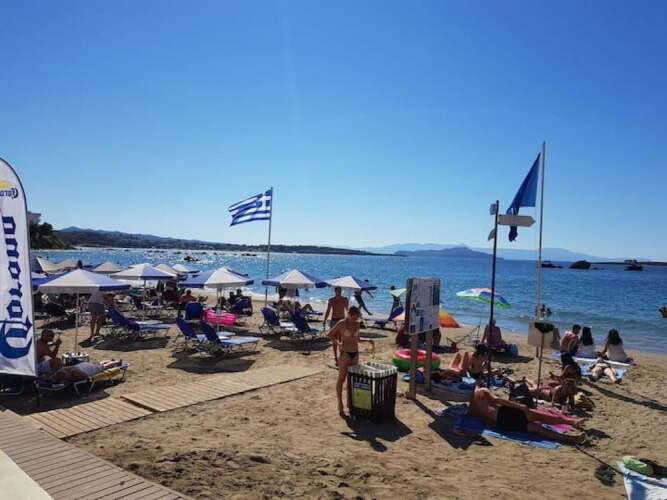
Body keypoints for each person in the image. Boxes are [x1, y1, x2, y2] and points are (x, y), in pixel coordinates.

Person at [467, 386, 586, 444]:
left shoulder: (471, 407)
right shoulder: (482, 391)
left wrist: (492, 423)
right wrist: (520, 406)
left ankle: (571, 438)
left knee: (536, 428)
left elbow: (482, 418)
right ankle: (571, 422)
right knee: (539, 416)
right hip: (504, 413)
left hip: (501, 423)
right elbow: (498, 400)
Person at [328, 306, 374, 417]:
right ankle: (340, 404)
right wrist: (338, 343)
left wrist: (368, 340)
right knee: (341, 378)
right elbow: (330, 334)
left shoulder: (357, 324)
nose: (355, 319)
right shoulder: (341, 323)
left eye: (356, 318)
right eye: (353, 317)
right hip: (345, 353)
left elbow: (358, 339)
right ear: (349, 314)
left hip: (355, 353)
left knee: (351, 380)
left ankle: (349, 403)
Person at [50, 359, 122, 382]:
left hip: (87, 369)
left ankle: (116, 362)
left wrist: (73, 379)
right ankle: (110, 360)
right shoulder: (64, 369)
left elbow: (85, 377)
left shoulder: (74, 373)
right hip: (82, 365)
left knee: (103, 367)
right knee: (98, 365)